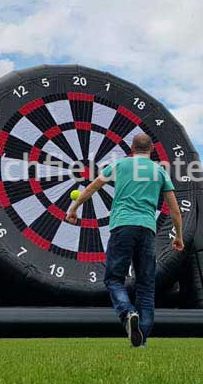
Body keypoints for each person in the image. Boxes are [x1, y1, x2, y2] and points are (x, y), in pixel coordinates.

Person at [66, 133, 184, 348]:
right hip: (147, 229)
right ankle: (141, 342)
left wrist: (74, 208)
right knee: (146, 286)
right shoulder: (159, 171)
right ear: (152, 149)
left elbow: (92, 187)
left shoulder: (119, 165)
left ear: (132, 148)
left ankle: (128, 312)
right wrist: (179, 236)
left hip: (122, 226)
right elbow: (175, 210)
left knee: (113, 279)